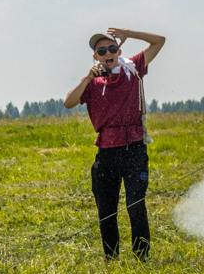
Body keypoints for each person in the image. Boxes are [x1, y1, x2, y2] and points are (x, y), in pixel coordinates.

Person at [64, 27, 166, 260]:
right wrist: (88, 77)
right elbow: (68, 102)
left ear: (119, 51)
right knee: (106, 210)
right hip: (106, 152)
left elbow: (159, 41)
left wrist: (128, 32)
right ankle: (111, 259)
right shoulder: (92, 82)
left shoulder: (134, 69)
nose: (107, 53)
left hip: (134, 150)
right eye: (101, 50)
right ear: (95, 56)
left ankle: (142, 257)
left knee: (135, 203)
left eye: (111, 48)